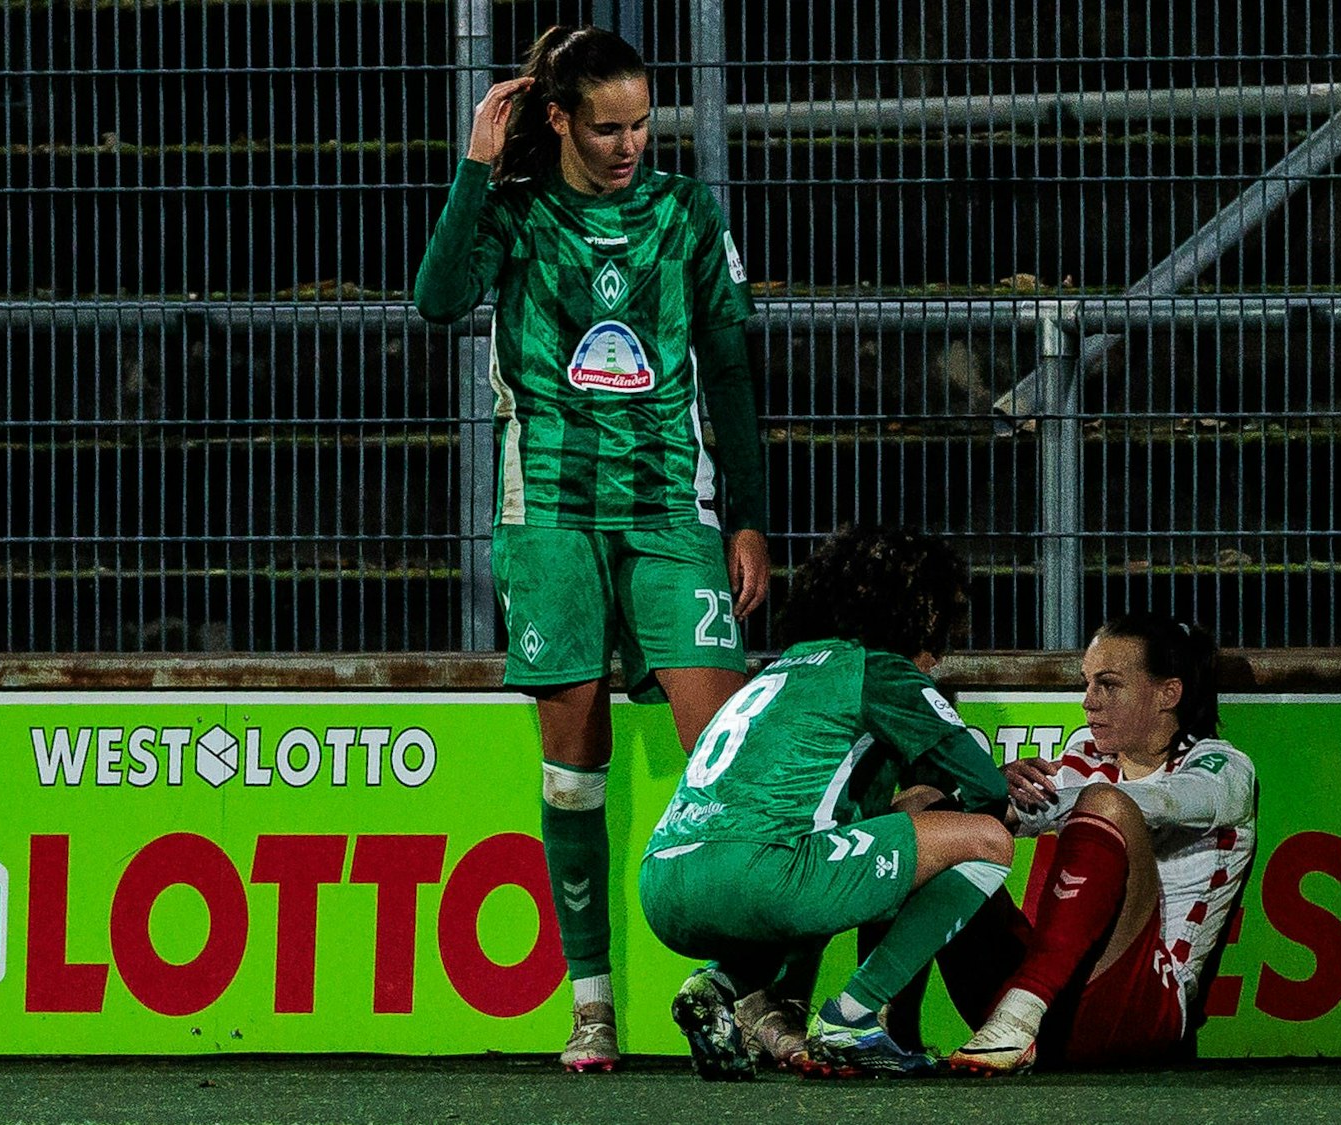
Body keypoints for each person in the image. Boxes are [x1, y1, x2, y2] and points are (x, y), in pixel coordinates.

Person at [411, 25, 770, 1073]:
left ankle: (749, 995)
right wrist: (478, 165)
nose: (628, 146)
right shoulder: (514, 213)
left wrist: (745, 514)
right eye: (607, 126)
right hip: (552, 519)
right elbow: (436, 300)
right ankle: (592, 1006)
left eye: (642, 124)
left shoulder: (685, 214)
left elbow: (732, 370)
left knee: (727, 755)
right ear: (558, 118)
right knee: (575, 769)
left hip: (671, 512)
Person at [638, 526, 1014, 1080]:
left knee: (823, 857)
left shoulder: (779, 671)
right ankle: (853, 1017)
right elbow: (989, 793)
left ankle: (715, 985)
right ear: (918, 614)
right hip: (761, 871)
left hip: (664, 881)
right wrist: (945, 801)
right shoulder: (881, 669)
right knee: (988, 840)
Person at [938, 612, 1257, 1074]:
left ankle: (1020, 1013)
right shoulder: (1087, 756)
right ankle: (879, 1029)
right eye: (1087, 684)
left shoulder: (1223, 766)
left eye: (1108, 685)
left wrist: (1048, 804)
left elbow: (1161, 802)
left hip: (1143, 1016)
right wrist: (988, 793)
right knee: (935, 816)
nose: (1089, 702)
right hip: (1057, 1010)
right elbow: (988, 816)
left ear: (1168, 693)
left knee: (1107, 805)